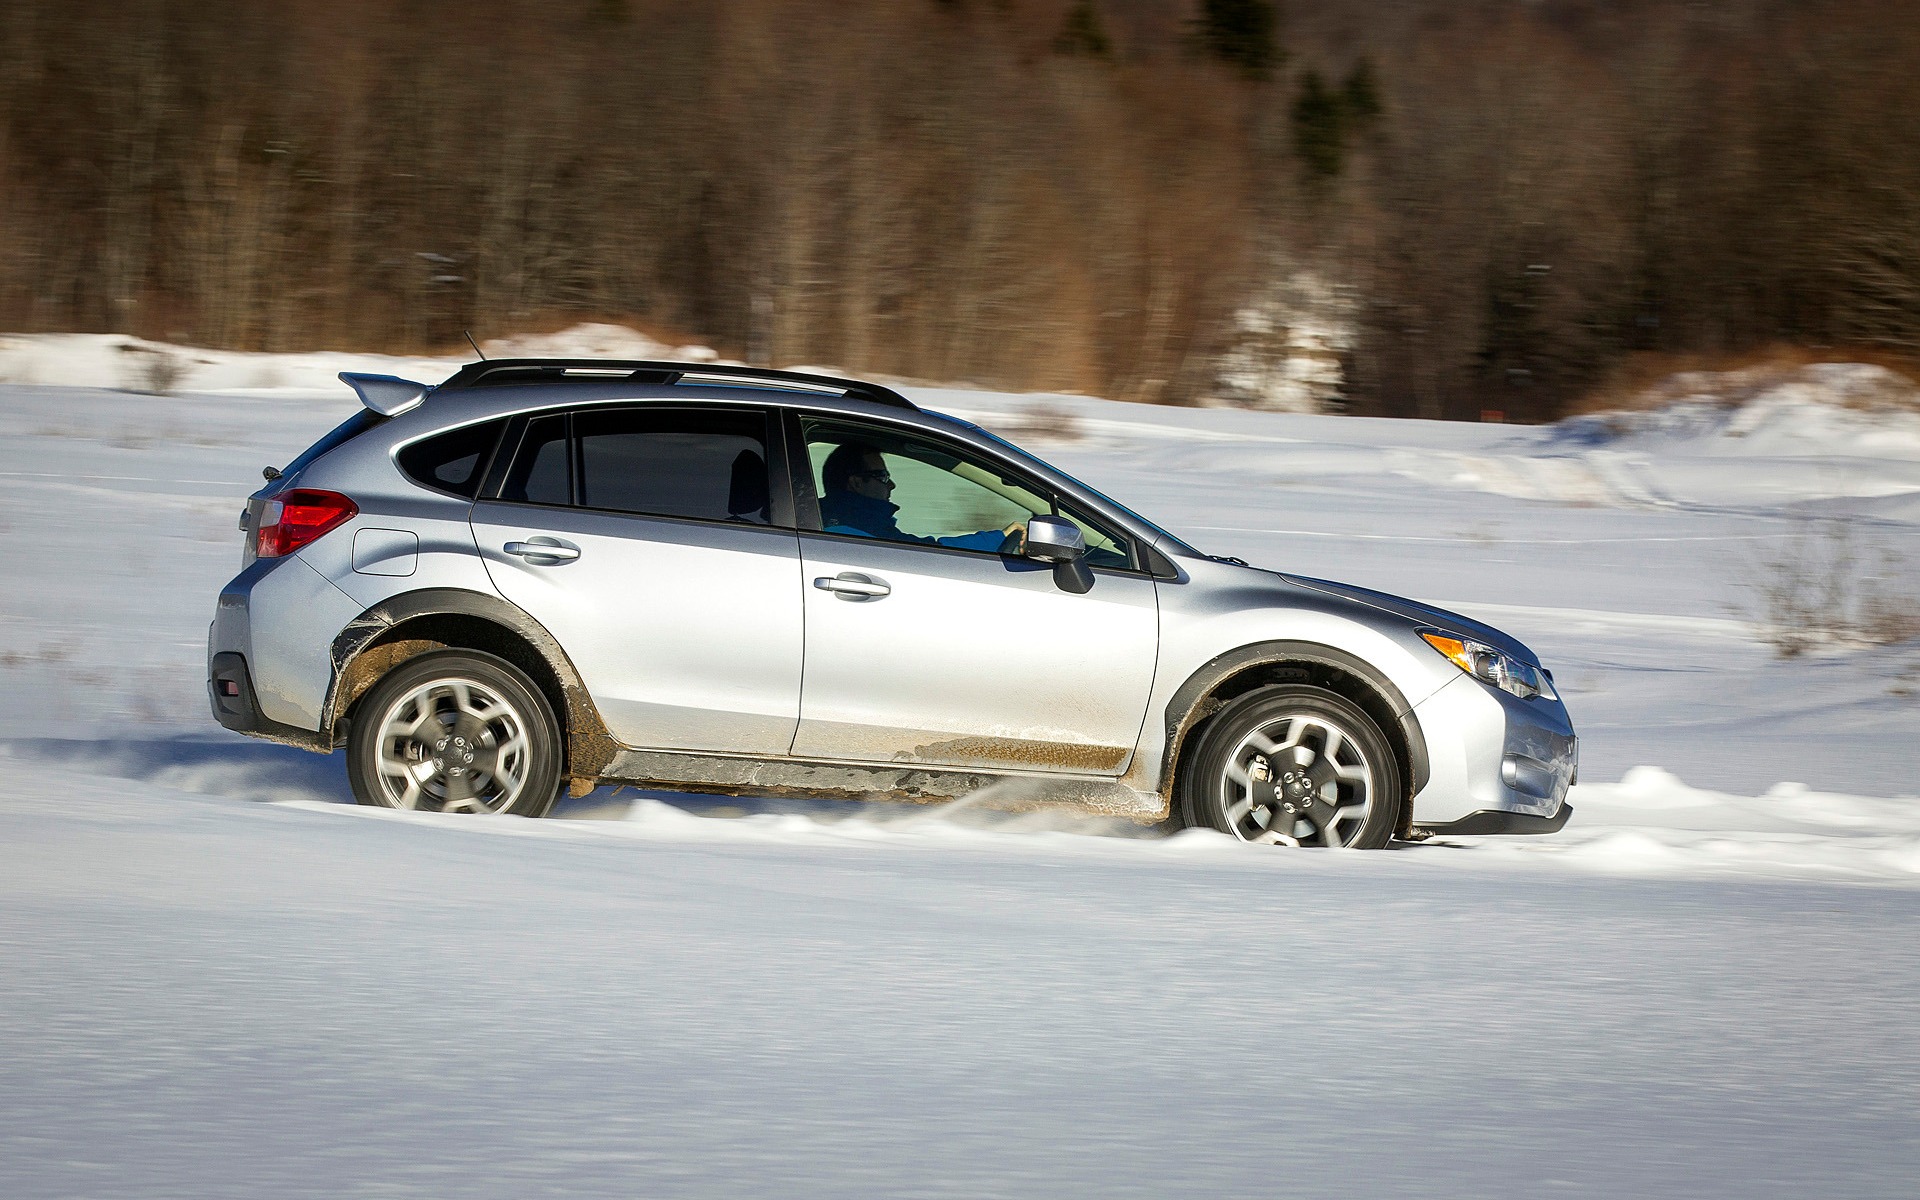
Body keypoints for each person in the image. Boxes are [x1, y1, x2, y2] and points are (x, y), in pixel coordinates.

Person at [818, 441, 1021, 553]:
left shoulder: (831, 519)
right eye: (882, 476)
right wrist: (998, 539)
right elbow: (932, 554)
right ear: (856, 483)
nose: (891, 484)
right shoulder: (853, 530)